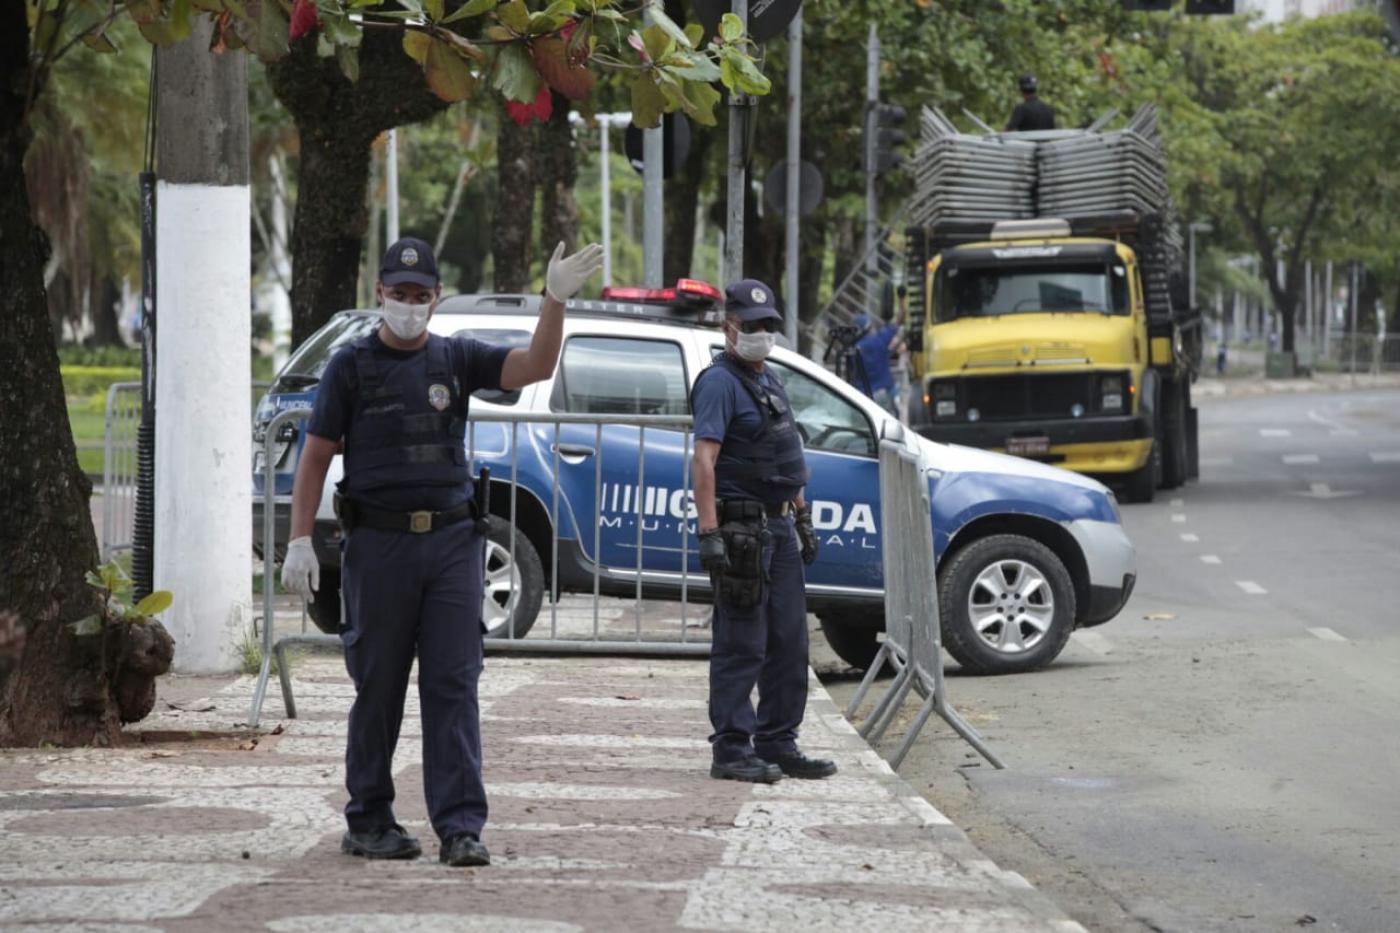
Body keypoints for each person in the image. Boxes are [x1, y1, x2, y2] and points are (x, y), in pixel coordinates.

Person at [281, 235, 603, 866]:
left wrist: (554, 300)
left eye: (420, 295)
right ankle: (369, 818)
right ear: (379, 294)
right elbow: (316, 455)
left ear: (437, 298)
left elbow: (533, 367)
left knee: (454, 685)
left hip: (454, 545)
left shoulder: (456, 358)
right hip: (378, 547)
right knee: (378, 687)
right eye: (398, 294)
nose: (408, 305)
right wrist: (298, 539)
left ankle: (460, 828)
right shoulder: (350, 366)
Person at [691, 279, 837, 784]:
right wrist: (709, 531)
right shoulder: (719, 383)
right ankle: (731, 748)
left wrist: (802, 516)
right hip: (743, 532)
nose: (760, 334)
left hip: (778, 527)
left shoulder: (768, 379)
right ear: (728, 325)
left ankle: (778, 741)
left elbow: (783, 455)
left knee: (789, 642)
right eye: (751, 326)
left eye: (768, 326)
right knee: (742, 642)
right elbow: (704, 462)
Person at [850, 292, 907, 417]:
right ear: (868, 328)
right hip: (884, 393)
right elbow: (900, 319)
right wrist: (902, 298)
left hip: (863, 398)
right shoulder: (880, 339)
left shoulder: (853, 349)